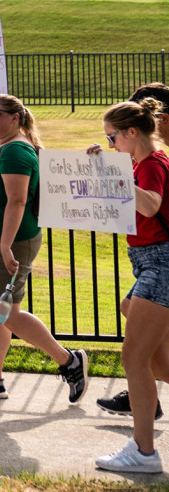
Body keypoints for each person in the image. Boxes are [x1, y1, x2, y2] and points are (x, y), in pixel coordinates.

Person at [0, 95, 88, 402]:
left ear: (15, 118)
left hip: (7, 244)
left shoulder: (17, 151)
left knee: (7, 314)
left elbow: (18, 200)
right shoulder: (5, 148)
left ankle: (69, 361)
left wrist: (4, 245)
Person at [89, 98, 169, 473]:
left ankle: (144, 453)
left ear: (131, 133)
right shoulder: (143, 163)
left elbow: (151, 205)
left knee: (133, 358)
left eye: (112, 138)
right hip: (150, 263)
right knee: (153, 355)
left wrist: (114, 172)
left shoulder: (153, 164)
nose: (110, 145)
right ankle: (143, 450)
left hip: (160, 263)